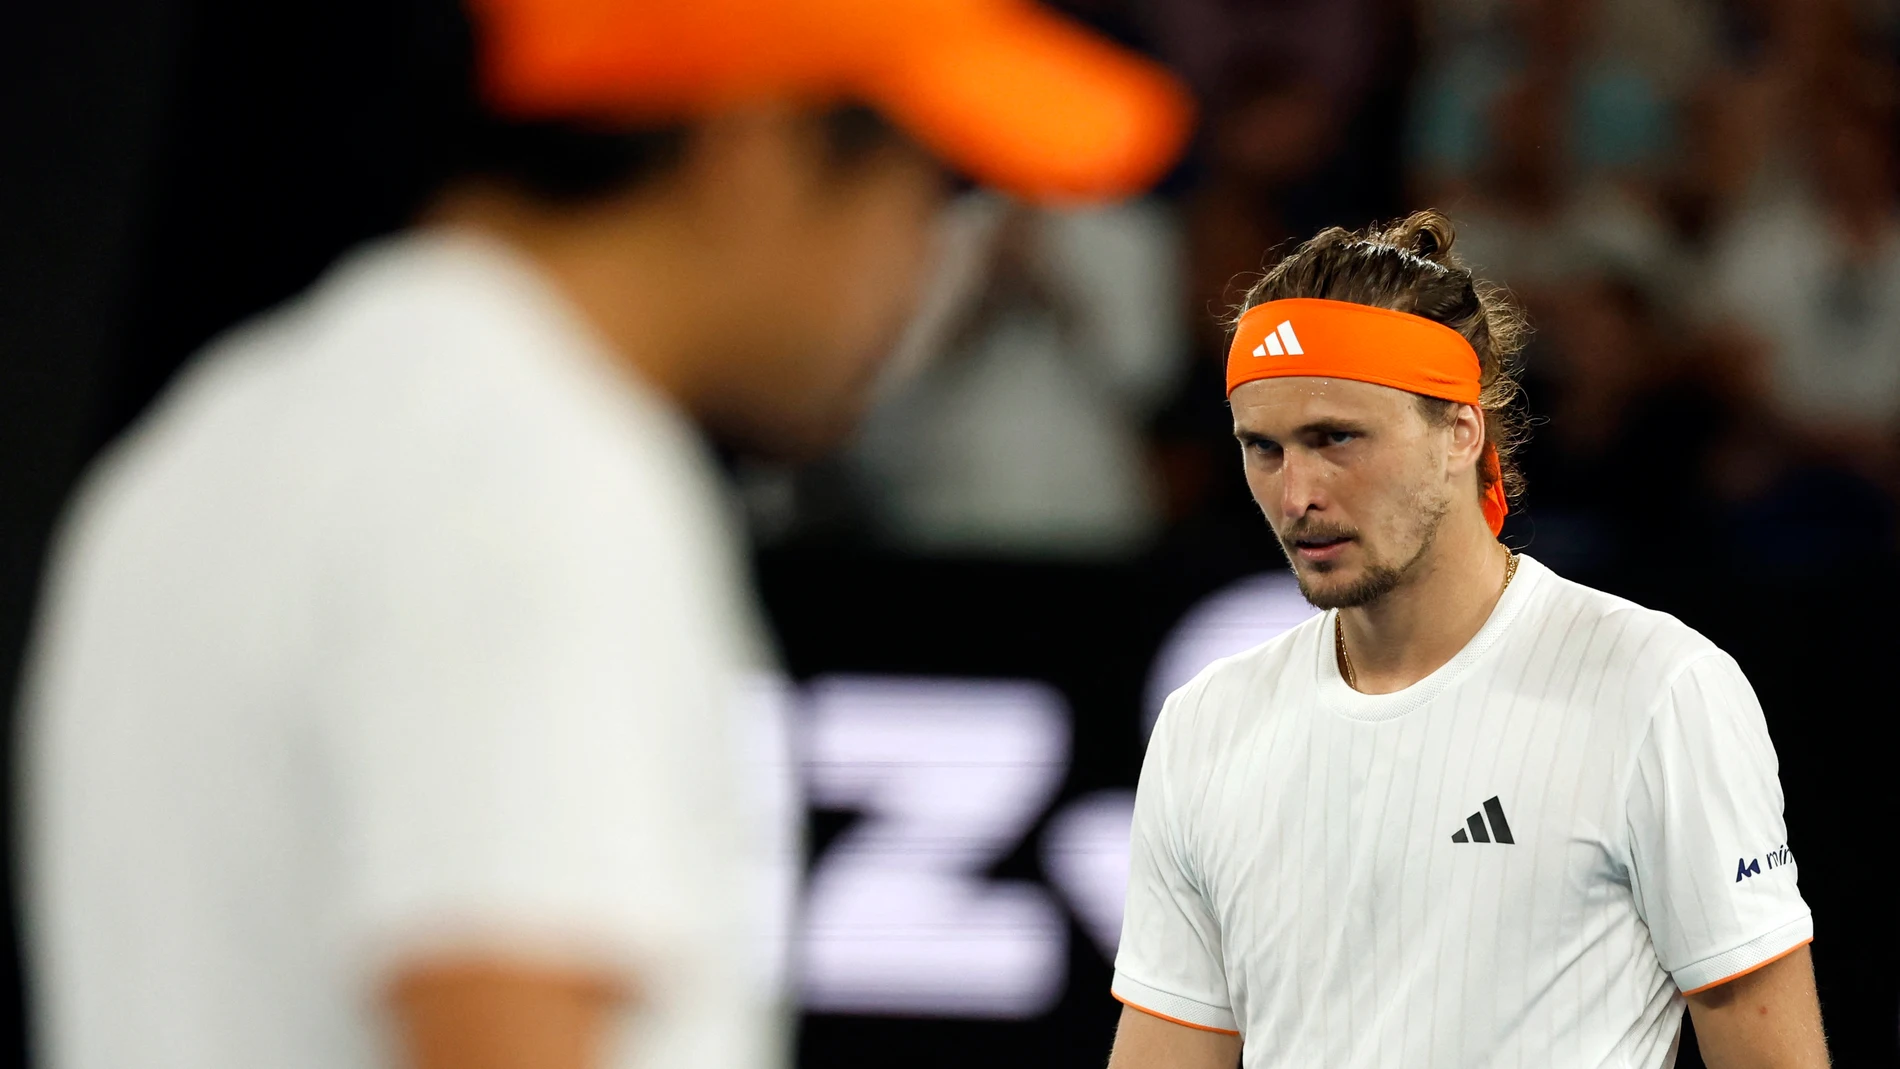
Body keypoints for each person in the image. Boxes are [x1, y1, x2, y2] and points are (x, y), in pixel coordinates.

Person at [15, 3, 1191, 1069]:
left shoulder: (219, 438)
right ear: (752, 146)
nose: (924, 261)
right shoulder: (533, 473)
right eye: (924, 189)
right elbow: (507, 1028)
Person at [1106, 212, 1826, 1069]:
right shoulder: (1204, 725)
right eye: (1264, 448)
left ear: (1460, 432)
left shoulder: (1660, 689)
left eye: (1337, 438)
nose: (1296, 495)